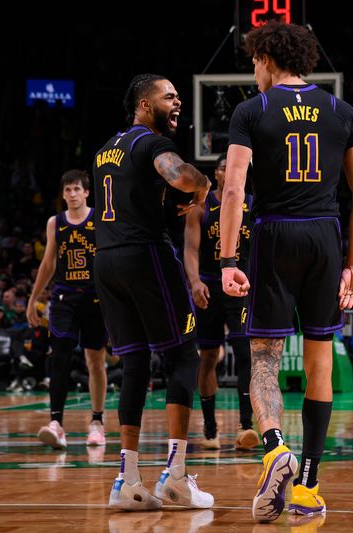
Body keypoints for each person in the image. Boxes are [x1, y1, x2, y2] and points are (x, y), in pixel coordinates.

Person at [220, 21, 353, 522]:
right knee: (320, 363)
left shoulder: (251, 110)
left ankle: (273, 448)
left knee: (263, 356)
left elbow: (233, 189)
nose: (253, 71)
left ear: (266, 57)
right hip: (326, 236)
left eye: (253, 61)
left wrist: (226, 260)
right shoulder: (342, 111)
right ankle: (307, 487)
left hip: (274, 233)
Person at [92, 73, 213, 511]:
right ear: (145, 105)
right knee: (184, 354)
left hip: (105, 260)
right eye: (169, 96)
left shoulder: (105, 149)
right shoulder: (151, 142)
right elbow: (180, 176)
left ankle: (127, 479)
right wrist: (202, 186)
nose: (178, 101)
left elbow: (136, 195)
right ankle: (176, 477)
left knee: (137, 361)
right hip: (144, 255)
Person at [27, 170, 108, 450]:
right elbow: (48, 263)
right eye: (68, 190)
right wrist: (33, 298)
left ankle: (97, 421)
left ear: (86, 192)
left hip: (95, 298)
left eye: (77, 189)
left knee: (94, 361)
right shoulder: (55, 223)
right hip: (64, 297)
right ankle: (56, 424)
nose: (72, 194)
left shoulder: (100, 219)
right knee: (59, 355)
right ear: (62, 195)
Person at [184, 153, 259, 451]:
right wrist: (194, 282)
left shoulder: (253, 205)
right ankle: (210, 425)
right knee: (208, 357)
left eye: (236, 168)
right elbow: (190, 249)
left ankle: (245, 426)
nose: (231, 172)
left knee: (244, 353)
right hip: (210, 285)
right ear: (216, 173)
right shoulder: (201, 207)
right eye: (226, 168)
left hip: (240, 286)